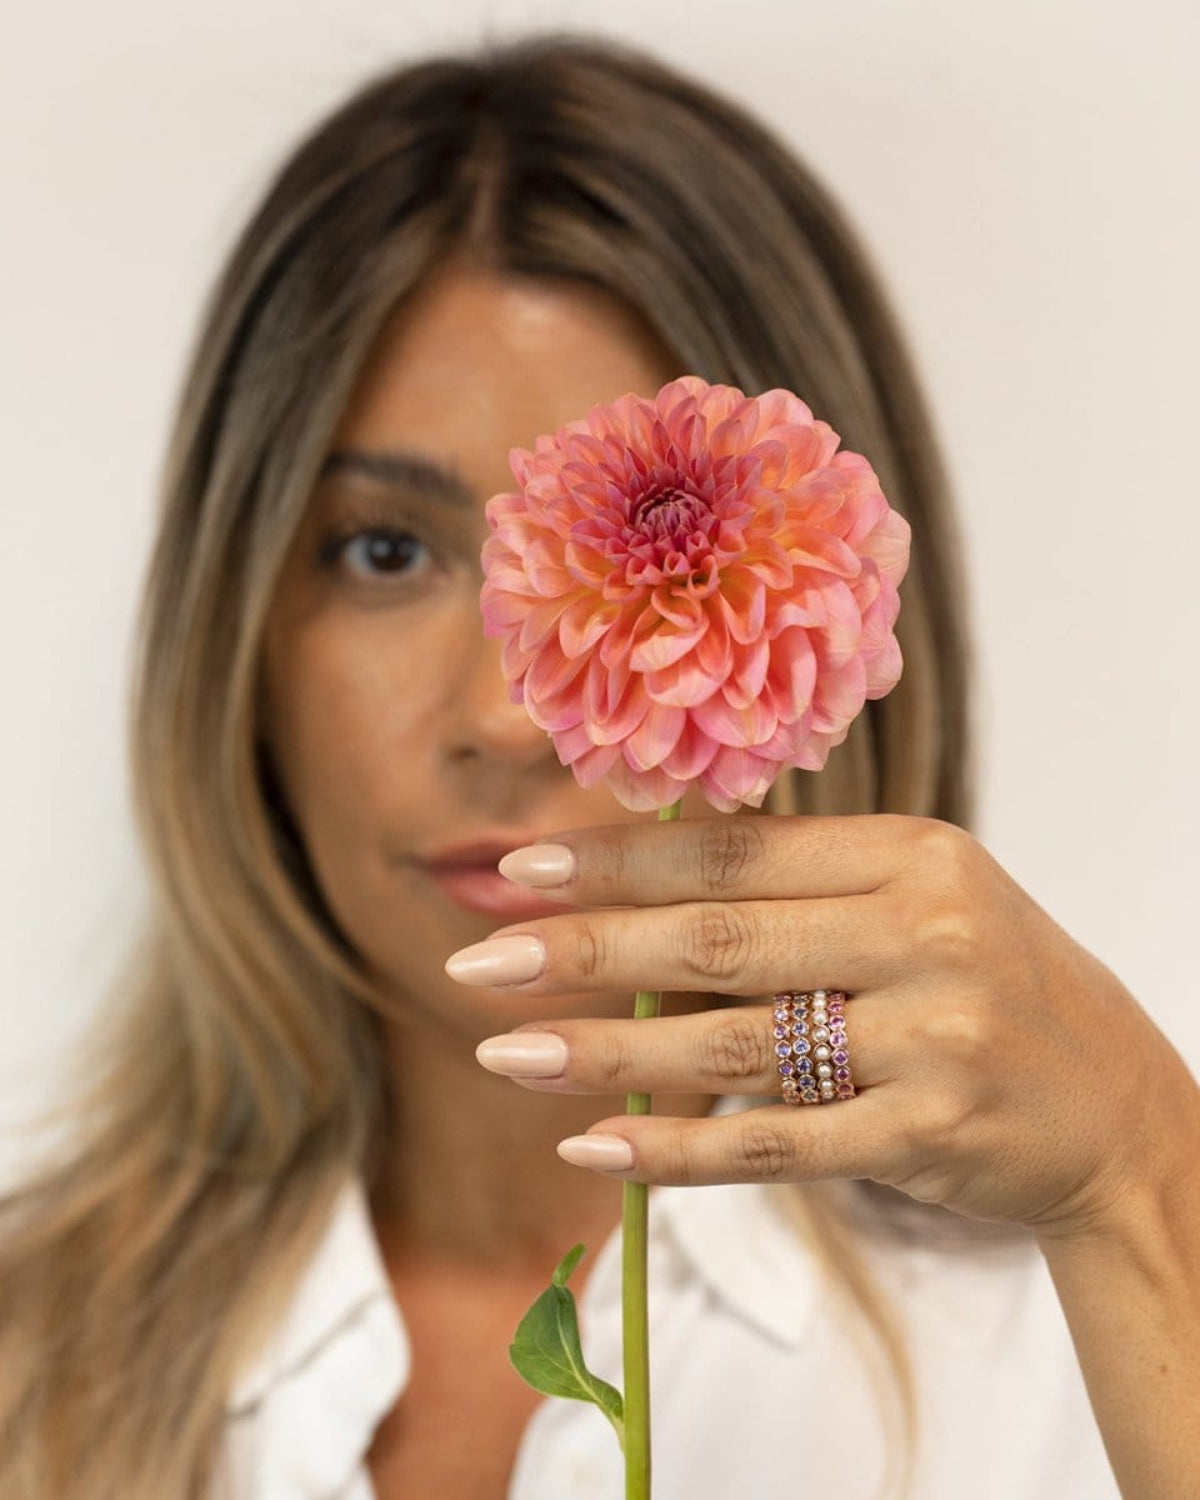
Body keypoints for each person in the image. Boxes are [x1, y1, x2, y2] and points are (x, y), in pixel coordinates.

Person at [1, 30, 1197, 1500]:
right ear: (232, 627)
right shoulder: (28, 1367)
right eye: (387, 551)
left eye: (629, 578)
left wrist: (1146, 1180)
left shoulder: (1075, 1339)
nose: (506, 716)